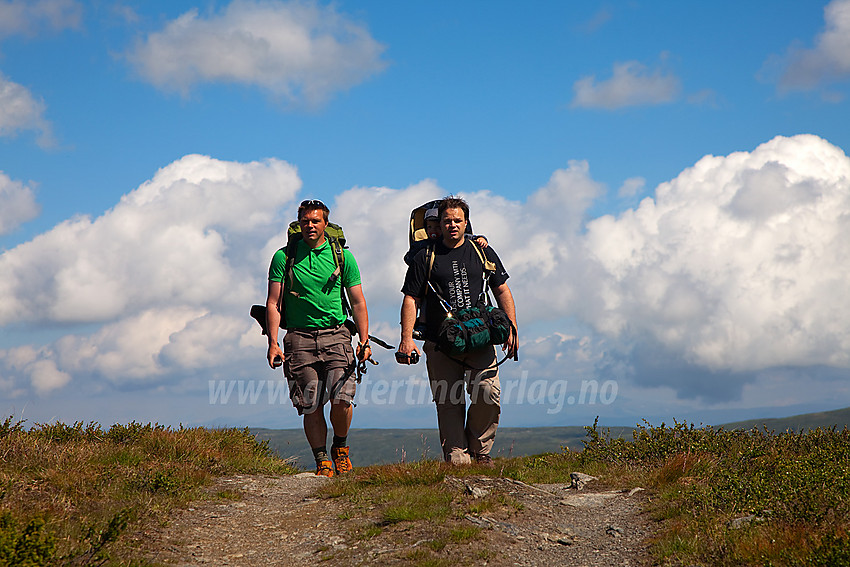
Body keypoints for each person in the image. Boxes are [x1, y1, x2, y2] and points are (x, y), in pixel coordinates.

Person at [398, 196, 518, 466]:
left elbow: (501, 289)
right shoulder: (424, 257)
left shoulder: (482, 251)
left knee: (487, 393)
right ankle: (457, 458)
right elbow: (411, 299)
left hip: (479, 337)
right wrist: (406, 339)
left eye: (457, 220)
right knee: (448, 402)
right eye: (447, 220)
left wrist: (511, 328)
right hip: (440, 343)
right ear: (438, 224)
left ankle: (480, 451)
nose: (452, 225)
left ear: (466, 223)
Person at [265, 199, 372, 477]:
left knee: (342, 399)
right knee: (310, 403)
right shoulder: (283, 257)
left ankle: (340, 447)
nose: (310, 225)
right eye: (305, 221)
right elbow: (273, 302)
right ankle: (322, 459)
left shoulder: (342, 256)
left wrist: (365, 340)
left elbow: (358, 301)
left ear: (326, 223)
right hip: (298, 339)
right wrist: (273, 343)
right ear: (298, 223)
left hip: (337, 335)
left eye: (315, 221)